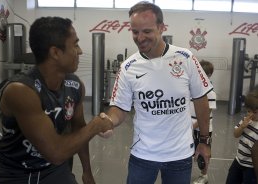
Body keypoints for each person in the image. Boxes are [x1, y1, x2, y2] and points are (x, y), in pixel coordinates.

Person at [0, 16, 113, 184]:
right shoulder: (20, 91)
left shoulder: (75, 85)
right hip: (11, 172)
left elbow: (78, 127)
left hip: (53, 170)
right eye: (75, 44)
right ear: (55, 52)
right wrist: (96, 125)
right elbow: (55, 152)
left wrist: (87, 172)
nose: (80, 51)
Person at [99, 1, 213, 183]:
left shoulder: (185, 58)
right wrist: (109, 121)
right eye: (135, 32)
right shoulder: (128, 67)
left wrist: (205, 141)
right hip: (143, 154)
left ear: (161, 28)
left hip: (180, 154)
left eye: (147, 31)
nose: (140, 38)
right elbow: (119, 108)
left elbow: (201, 100)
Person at [190, 60, 216, 184]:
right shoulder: (191, 89)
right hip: (190, 127)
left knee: (203, 154)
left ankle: (204, 176)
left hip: (202, 129)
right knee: (190, 151)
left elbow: (206, 114)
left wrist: (193, 125)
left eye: (203, 73)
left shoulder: (210, 93)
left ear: (209, 75)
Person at [226, 90, 258, 184]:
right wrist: (242, 126)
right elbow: (235, 134)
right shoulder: (245, 120)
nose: (251, 115)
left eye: (255, 112)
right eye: (248, 111)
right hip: (238, 160)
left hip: (251, 167)